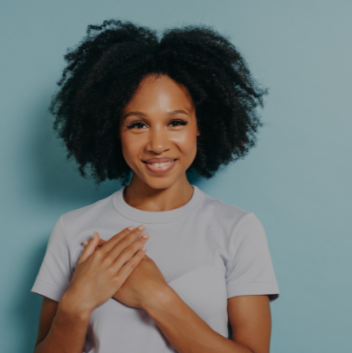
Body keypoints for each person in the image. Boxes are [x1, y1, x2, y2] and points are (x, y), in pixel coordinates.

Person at [31, 19, 280, 353]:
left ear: (199, 126)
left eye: (175, 122)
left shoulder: (237, 229)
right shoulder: (73, 229)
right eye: (138, 125)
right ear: (113, 131)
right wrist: (76, 303)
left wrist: (156, 296)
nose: (157, 144)